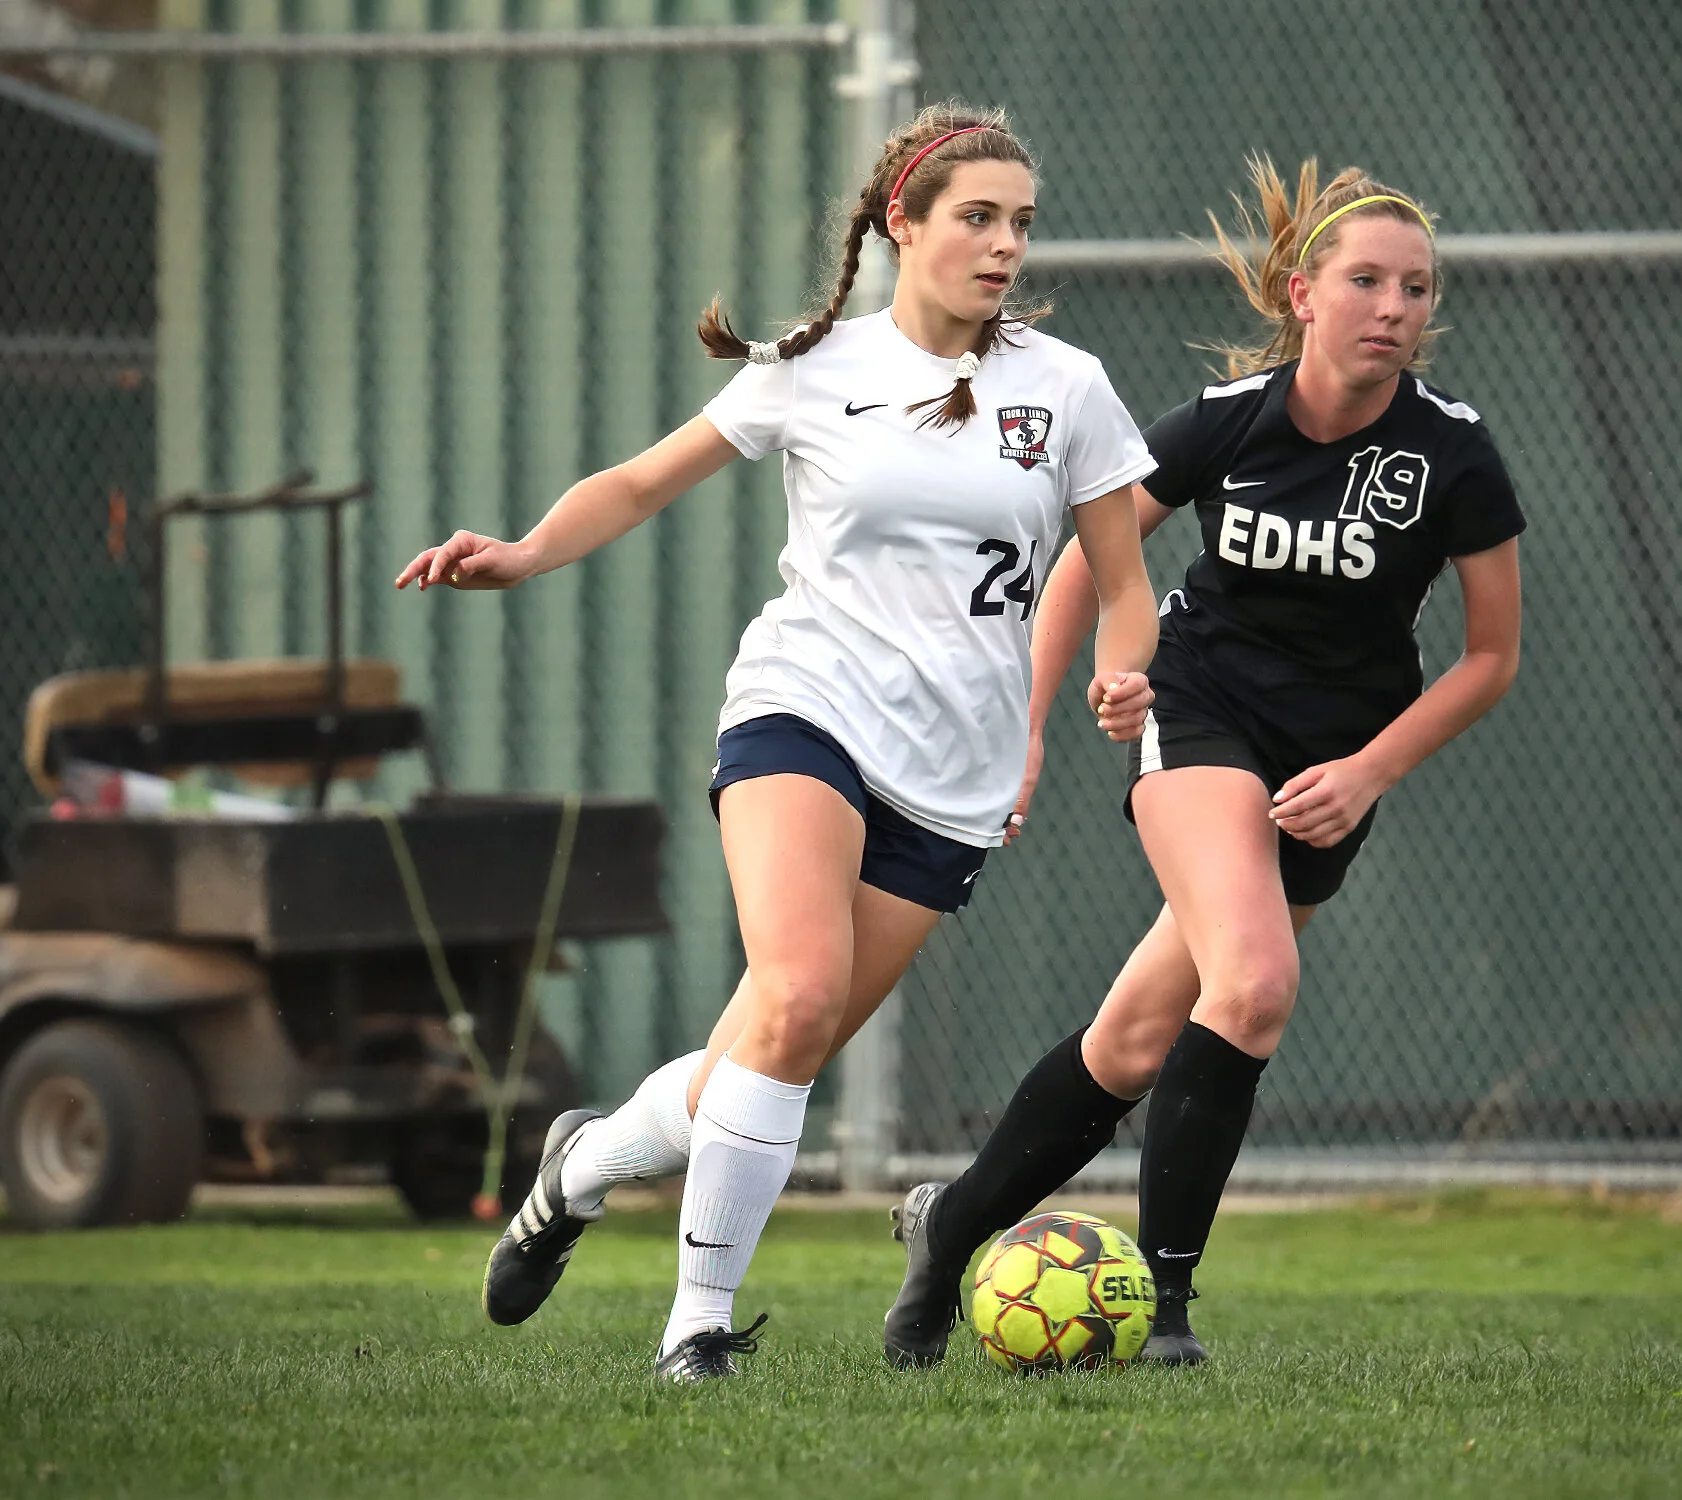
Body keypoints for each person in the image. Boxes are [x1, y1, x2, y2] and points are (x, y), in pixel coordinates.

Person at [394, 105, 1161, 1382]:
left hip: (956, 775)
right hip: (804, 707)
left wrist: (1120, 673)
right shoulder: (812, 368)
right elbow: (640, 482)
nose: (1004, 244)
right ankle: (697, 1328)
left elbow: (1122, 578)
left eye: (1021, 222)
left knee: (770, 1044)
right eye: (976, 216)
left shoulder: (1066, 386)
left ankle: (577, 1168)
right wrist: (524, 552)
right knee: (796, 991)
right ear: (899, 224)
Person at [881, 158, 1526, 1368]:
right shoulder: (1226, 425)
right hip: (1201, 708)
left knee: (1135, 1039)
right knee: (1256, 985)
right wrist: (1039, 714)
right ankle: (1169, 1314)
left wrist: (1373, 770)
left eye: (1417, 288)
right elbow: (1087, 562)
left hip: (1334, 763)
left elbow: (1491, 656)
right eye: (1368, 281)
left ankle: (952, 1226)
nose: (1395, 307)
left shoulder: (1453, 454)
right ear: (1301, 293)